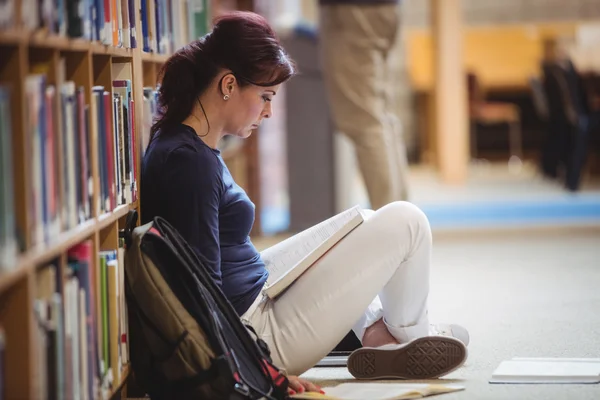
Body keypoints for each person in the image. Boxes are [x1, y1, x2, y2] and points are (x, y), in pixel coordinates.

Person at [141, 11, 469, 395]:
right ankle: (405, 336)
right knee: (407, 222)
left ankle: (383, 333)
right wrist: (263, 373)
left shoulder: (189, 143)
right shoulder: (189, 164)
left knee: (363, 222)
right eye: (264, 97)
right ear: (228, 84)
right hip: (258, 334)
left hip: (258, 295)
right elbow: (201, 296)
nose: (268, 111)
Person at [318, 0, 410, 209]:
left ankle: (391, 227)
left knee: (366, 123)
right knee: (382, 117)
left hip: (353, 10)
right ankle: (402, 219)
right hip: (386, 9)